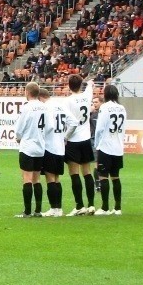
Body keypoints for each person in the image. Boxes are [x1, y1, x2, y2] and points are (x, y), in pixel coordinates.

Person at [63, 75, 96, 216]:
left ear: (69, 86)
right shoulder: (87, 96)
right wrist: (89, 83)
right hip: (86, 139)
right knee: (87, 172)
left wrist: (65, 138)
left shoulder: (67, 101)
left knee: (74, 173)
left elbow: (68, 121)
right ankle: (91, 205)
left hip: (73, 140)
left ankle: (79, 206)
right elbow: (90, 87)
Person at [14, 82, 47, 218]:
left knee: (27, 179)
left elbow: (19, 128)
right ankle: (38, 210)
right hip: (40, 148)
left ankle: (27, 211)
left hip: (27, 147)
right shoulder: (44, 107)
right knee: (37, 179)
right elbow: (49, 126)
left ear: (27, 93)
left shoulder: (26, 108)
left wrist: (18, 137)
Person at [93, 85, 127, 215]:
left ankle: (105, 207)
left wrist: (97, 144)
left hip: (106, 146)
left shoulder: (105, 107)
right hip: (118, 147)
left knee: (103, 177)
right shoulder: (122, 108)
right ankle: (117, 208)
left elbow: (100, 128)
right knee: (116, 177)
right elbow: (123, 128)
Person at [38, 88, 65, 217]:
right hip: (60, 147)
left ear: (40, 98)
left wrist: (41, 136)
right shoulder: (60, 105)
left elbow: (47, 127)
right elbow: (73, 122)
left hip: (49, 147)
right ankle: (59, 208)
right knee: (57, 179)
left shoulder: (46, 107)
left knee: (50, 179)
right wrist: (65, 137)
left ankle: (53, 208)